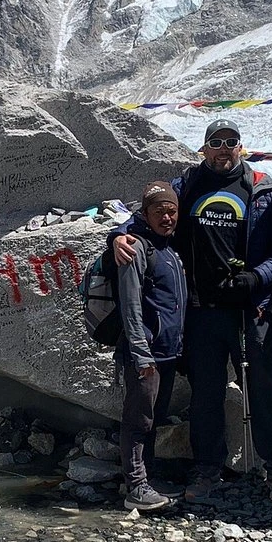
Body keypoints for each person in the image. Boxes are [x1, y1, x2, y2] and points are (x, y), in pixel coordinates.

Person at [113, 119, 272, 504]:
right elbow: (149, 213)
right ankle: (207, 468)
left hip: (250, 310)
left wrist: (255, 278)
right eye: (216, 142)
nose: (223, 148)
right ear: (205, 148)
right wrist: (118, 235)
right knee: (205, 394)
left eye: (231, 141)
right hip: (202, 313)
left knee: (262, 388)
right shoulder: (188, 185)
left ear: (241, 147)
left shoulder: (261, 189)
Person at [114, 181, 187, 513]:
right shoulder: (136, 249)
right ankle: (135, 487)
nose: (166, 217)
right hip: (145, 354)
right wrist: (141, 354)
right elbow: (130, 306)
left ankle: (146, 479)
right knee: (139, 420)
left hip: (168, 353)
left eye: (171, 211)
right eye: (159, 212)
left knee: (154, 418)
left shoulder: (170, 250)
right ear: (144, 214)